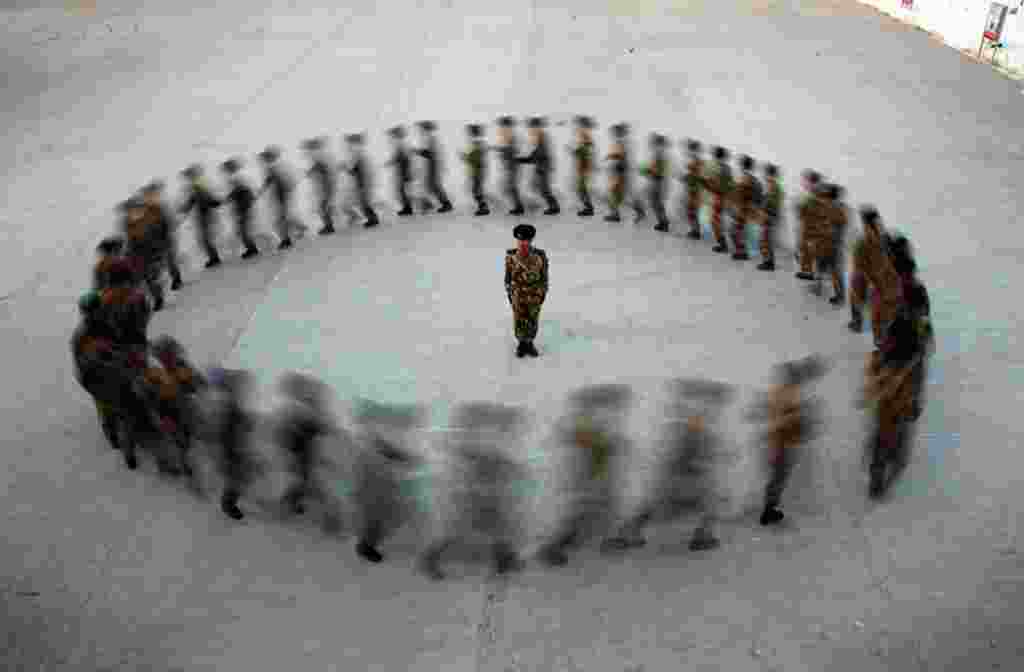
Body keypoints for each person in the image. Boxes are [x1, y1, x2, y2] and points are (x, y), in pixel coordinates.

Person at [603, 379, 732, 552]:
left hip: (676, 477)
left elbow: (686, 449)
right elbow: (686, 450)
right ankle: (702, 536)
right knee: (708, 502)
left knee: (656, 506)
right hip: (683, 476)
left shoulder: (688, 426)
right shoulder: (692, 427)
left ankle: (627, 532)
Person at [419, 402, 528, 580]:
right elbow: (470, 456)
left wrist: (514, 469)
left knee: (500, 528)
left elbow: (497, 461)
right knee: (456, 532)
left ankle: (505, 560)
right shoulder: (477, 443)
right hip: (474, 498)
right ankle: (429, 560)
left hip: (488, 496)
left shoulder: (490, 443)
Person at [538, 384, 633, 566]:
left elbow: (600, 444)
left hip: (597, 481)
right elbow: (582, 440)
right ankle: (558, 545)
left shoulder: (597, 432)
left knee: (596, 510)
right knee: (583, 511)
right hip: (588, 481)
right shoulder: (588, 431)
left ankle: (600, 538)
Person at [747, 357, 827, 525]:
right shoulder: (790, 395)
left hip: (778, 442)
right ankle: (768, 510)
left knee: (777, 476)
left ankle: (770, 507)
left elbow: (767, 410)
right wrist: (801, 420)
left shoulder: (781, 392)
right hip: (781, 443)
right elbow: (789, 420)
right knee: (778, 477)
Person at [349, 399, 424, 563]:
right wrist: (408, 459)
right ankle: (366, 547)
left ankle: (366, 544)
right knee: (374, 520)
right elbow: (387, 453)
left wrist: (409, 459)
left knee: (378, 519)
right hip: (370, 488)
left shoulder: (372, 439)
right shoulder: (363, 441)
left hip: (378, 487)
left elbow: (390, 452)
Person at [276, 372, 334, 519]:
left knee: (304, 481)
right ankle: (288, 504)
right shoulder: (301, 410)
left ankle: (293, 504)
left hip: (304, 453)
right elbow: (315, 428)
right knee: (304, 482)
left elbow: (318, 429)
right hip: (299, 453)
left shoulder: (304, 410)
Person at [848, 206, 903, 343]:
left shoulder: (864, 241)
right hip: (888, 280)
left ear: (865, 222)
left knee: (873, 309)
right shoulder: (884, 236)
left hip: (875, 280)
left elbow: (859, 265)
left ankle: (859, 323)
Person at [504, 224, 549, 358]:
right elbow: (508, 276)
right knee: (519, 319)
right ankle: (521, 343)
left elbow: (544, 276)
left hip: (534, 294)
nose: (523, 243)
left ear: (531, 240)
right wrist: (510, 292)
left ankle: (530, 342)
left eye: (526, 240)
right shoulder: (511, 256)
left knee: (532, 319)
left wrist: (542, 292)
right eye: (520, 240)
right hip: (518, 294)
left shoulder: (540, 255)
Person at [140, 180, 184, 291]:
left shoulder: (161, 206)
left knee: (170, 260)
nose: (148, 197)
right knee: (159, 262)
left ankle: (176, 279)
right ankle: (163, 282)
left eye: (150, 194)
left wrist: (169, 231)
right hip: (155, 240)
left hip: (166, 238)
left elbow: (170, 221)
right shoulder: (145, 210)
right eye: (146, 195)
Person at [179, 164, 223, 268]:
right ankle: (214, 257)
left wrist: (185, 208)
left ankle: (214, 258)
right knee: (204, 238)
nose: (187, 178)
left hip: (205, 214)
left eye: (188, 175)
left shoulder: (197, 185)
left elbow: (200, 199)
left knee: (204, 238)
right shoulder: (198, 184)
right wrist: (185, 208)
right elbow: (194, 199)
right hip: (205, 214)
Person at [257, 146, 298, 250]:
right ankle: (295, 231)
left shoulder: (272, 168)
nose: (263, 160)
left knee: (279, 220)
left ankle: (286, 239)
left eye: (265, 158)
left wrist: (261, 191)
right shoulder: (279, 166)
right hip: (283, 195)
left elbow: (269, 180)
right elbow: (278, 181)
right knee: (283, 217)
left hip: (281, 196)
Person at [604, 123, 645, 223]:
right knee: (623, 193)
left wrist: (612, 157)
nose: (613, 134)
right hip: (622, 172)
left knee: (616, 193)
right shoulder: (623, 142)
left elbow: (622, 157)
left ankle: (616, 215)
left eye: (615, 132)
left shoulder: (622, 142)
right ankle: (637, 211)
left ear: (619, 132)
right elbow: (622, 157)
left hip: (621, 173)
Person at [519, 117, 560, 215]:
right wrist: (525, 159)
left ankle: (554, 206)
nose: (531, 129)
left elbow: (541, 153)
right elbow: (536, 152)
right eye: (531, 127)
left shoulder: (542, 137)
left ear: (537, 127)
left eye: (532, 127)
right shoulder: (539, 137)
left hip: (543, 167)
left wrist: (527, 159)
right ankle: (541, 204)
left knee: (543, 188)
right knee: (535, 186)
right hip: (541, 166)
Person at [220, 158, 260, 259]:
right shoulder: (240, 176)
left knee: (243, 230)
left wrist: (226, 199)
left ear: (230, 168)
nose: (225, 171)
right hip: (245, 207)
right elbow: (247, 192)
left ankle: (252, 249)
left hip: (243, 208)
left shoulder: (235, 178)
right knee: (242, 230)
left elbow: (238, 192)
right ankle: (251, 248)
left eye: (226, 168)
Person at [414, 120, 453, 213]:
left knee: (434, 185)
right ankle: (430, 203)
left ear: (426, 128)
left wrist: (417, 151)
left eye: (421, 128)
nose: (420, 130)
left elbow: (430, 153)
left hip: (434, 165)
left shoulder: (431, 137)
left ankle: (445, 204)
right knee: (430, 185)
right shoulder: (431, 137)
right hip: (434, 164)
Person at [302, 137, 338, 234]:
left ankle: (329, 226)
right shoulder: (321, 157)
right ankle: (329, 225)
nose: (307, 152)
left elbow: (320, 169)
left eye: (308, 149)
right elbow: (320, 169)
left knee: (322, 207)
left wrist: (309, 172)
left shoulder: (319, 158)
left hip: (327, 186)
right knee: (323, 206)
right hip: (326, 186)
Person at [343, 133, 380, 228]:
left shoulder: (358, 154)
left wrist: (345, 168)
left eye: (350, 142)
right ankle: (372, 218)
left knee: (364, 203)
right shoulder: (361, 153)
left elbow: (354, 170)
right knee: (364, 202)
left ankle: (373, 219)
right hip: (363, 182)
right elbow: (356, 170)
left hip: (363, 183)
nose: (348, 146)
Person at [730, 155, 762, 261]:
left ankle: (742, 252)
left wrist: (735, 207)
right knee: (739, 231)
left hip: (742, 210)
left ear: (742, 166)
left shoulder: (744, 179)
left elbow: (738, 195)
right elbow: (758, 197)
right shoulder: (754, 180)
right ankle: (742, 251)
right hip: (748, 209)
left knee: (735, 232)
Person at [493, 116, 525, 216]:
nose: (501, 128)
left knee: (510, 187)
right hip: (510, 165)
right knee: (509, 187)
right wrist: (500, 150)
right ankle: (519, 206)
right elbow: (509, 149)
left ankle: (520, 206)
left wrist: (503, 152)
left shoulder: (512, 135)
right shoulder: (508, 135)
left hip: (513, 166)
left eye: (503, 125)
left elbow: (513, 150)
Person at [794, 170, 823, 278]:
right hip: (808, 227)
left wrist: (799, 206)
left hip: (812, 228)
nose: (803, 183)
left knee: (809, 249)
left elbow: (806, 211)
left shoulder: (815, 196)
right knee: (805, 249)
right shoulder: (813, 195)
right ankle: (808, 270)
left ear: (811, 182)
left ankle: (810, 272)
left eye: (805, 181)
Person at [706, 146, 733, 253]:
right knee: (718, 221)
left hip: (720, 197)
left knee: (715, 221)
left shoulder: (719, 169)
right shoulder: (728, 168)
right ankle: (723, 243)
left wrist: (708, 184)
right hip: (725, 197)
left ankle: (723, 245)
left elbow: (717, 186)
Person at [642, 133, 671, 231]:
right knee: (656, 203)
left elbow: (658, 170)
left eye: (654, 143)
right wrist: (648, 170)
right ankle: (663, 221)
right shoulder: (660, 154)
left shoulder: (660, 154)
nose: (653, 145)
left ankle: (663, 222)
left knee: (656, 203)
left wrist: (648, 171)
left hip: (658, 182)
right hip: (658, 181)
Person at [758, 163, 783, 271]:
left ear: (769, 174)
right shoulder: (773, 186)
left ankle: (768, 262)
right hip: (770, 216)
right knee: (766, 240)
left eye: (765, 173)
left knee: (765, 240)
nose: (763, 175)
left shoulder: (772, 187)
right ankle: (768, 261)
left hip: (769, 216)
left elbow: (769, 203)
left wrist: (763, 210)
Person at [461, 123, 490, 216]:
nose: (468, 134)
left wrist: (465, 157)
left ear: (473, 132)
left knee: (475, 190)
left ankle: (484, 207)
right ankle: (484, 205)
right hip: (477, 170)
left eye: (470, 132)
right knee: (475, 190)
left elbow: (476, 159)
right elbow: (476, 157)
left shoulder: (477, 143)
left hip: (477, 171)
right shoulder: (478, 142)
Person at [679, 139, 705, 239]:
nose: (690, 152)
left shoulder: (698, 162)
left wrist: (686, 178)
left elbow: (696, 176)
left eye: (692, 149)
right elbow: (692, 175)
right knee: (691, 210)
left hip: (695, 190)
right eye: (691, 149)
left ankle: (696, 231)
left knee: (692, 211)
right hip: (692, 190)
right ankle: (695, 230)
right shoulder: (695, 161)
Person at [570, 115, 596, 217]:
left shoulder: (585, 134)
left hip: (584, 167)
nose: (577, 126)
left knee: (581, 188)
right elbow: (586, 149)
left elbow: (586, 150)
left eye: (578, 124)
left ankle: (588, 208)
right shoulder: (584, 135)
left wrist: (575, 151)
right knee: (581, 188)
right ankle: (588, 207)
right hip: (583, 166)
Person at [386, 126, 414, 216]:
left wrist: (390, 162)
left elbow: (400, 157)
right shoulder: (402, 143)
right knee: (403, 190)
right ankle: (407, 207)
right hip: (404, 170)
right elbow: (401, 157)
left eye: (393, 134)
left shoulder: (400, 144)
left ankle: (408, 208)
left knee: (401, 190)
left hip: (404, 171)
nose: (391, 137)